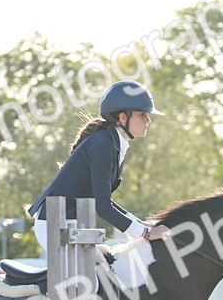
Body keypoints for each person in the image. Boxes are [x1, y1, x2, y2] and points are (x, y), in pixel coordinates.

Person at [27, 80, 171, 250]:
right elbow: (103, 208)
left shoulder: (114, 143)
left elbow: (104, 201)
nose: (148, 120)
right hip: (55, 225)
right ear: (123, 117)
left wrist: (143, 226)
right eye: (142, 115)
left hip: (73, 224)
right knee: (93, 277)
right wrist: (145, 233)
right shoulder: (104, 143)